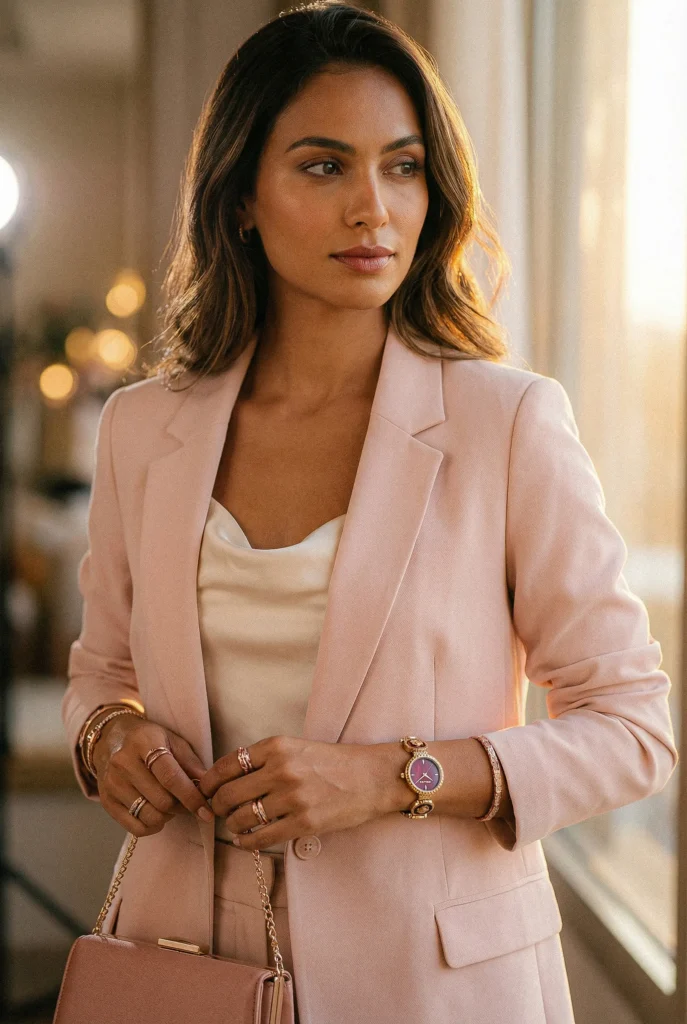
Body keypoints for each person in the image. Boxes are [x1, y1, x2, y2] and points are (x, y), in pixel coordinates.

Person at [62, 3, 678, 1022]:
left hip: (435, 982)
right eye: (322, 166)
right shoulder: (142, 428)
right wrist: (108, 740)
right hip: (183, 962)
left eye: (402, 166)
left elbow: (633, 727)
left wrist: (397, 777)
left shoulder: (508, 422)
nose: (372, 208)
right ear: (242, 196)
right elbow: (104, 673)